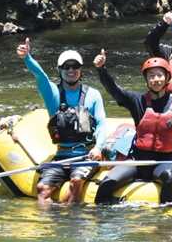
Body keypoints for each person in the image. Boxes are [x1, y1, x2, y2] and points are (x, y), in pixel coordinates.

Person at [93, 51, 172, 205]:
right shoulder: (137, 101)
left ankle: (164, 220)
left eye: (159, 75)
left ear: (167, 78)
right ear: (146, 80)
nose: (156, 79)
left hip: (164, 162)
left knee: (169, 177)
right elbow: (115, 91)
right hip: (138, 161)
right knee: (106, 184)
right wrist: (102, 69)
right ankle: (116, 209)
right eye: (151, 76)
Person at [16, 37, 107, 206]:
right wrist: (27, 57)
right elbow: (40, 76)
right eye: (66, 67)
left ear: (80, 70)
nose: (71, 70)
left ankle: (70, 222)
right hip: (61, 155)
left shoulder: (93, 95)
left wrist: (98, 147)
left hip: (86, 155)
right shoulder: (52, 93)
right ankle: (51, 227)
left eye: (75, 66)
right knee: (42, 189)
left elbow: (101, 123)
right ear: (60, 70)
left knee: (76, 182)